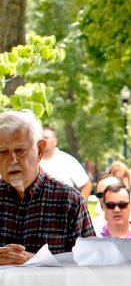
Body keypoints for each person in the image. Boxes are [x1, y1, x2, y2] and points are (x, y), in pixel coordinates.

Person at [0, 109, 95, 263]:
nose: (12, 160)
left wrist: (41, 262)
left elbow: (91, 266)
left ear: (40, 150)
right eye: (3, 152)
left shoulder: (69, 201)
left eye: (20, 150)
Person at [39, 126, 92, 196]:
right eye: (40, 138)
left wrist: (80, 205)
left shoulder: (67, 161)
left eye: (46, 138)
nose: (42, 140)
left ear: (55, 141)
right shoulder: (31, 161)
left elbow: (87, 185)